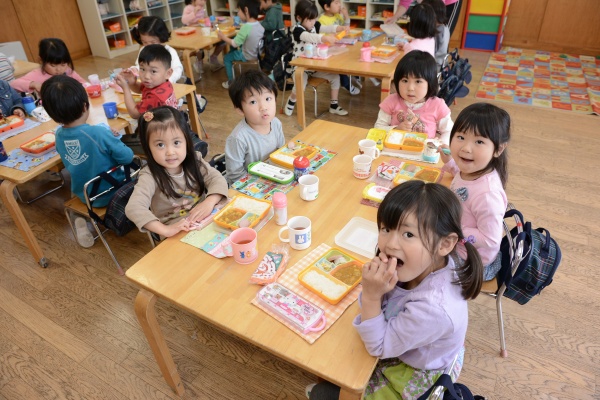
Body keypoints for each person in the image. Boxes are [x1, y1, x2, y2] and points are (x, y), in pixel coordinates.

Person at [306, 180, 483, 400]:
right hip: (414, 344)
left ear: (445, 244)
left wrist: (371, 295)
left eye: (408, 234)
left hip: (413, 373)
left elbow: (378, 347)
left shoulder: (433, 308)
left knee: (327, 387)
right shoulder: (426, 261)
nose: (390, 244)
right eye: (386, 229)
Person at [40, 75, 134, 248]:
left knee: (75, 191)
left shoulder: (59, 136)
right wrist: (115, 140)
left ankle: (80, 222)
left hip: (87, 196)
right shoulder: (98, 133)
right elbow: (127, 157)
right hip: (117, 190)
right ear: (85, 106)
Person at [125, 106, 228, 238]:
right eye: (160, 145)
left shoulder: (195, 160)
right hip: (177, 232)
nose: (170, 152)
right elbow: (134, 207)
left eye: (176, 142)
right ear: (148, 147)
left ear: (186, 141)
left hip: (206, 216)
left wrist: (210, 201)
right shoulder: (149, 176)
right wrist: (166, 230)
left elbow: (216, 178)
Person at [438, 103, 510, 281]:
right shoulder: (472, 170)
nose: (466, 148)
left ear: (498, 149)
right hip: (459, 243)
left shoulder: (487, 195)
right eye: (461, 137)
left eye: (479, 141)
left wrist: (454, 229)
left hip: (472, 262)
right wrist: (450, 163)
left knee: (418, 257)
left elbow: (490, 239)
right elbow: (461, 177)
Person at [283, 0, 349, 117]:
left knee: (335, 77)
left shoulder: (314, 25)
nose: (313, 22)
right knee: (300, 85)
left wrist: (340, 28)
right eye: (309, 19)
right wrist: (325, 39)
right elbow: (310, 37)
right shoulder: (297, 31)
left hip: (314, 67)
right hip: (300, 67)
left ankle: (333, 105)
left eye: (314, 19)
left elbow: (327, 28)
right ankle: (292, 100)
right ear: (299, 18)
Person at [375, 50, 453, 145]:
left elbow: (449, 131)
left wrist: (440, 144)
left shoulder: (437, 105)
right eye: (405, 80)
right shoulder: (391, 101)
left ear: (430, 83)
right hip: (395, 150)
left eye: (418, 81)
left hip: (424, 155)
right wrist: (396, 129)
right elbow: (378, 128)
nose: (410, 88)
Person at [225, 69, 285, 184]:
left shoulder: (276, 123)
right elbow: (235, 175)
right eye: (253, 102)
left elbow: (280, 153)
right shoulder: (238, 138)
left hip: (272, 177)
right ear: (240, 110)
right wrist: (259, 184)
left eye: (268, 99)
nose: (263, 107)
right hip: (248, 185)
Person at [116, 44, 178, 120]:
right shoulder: (163, 83)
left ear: (168, 73)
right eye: (142, 69)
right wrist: (133, 83)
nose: (146, 76)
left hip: (160, 130)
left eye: (153, 71)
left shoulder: (156, 96)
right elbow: (141, 89)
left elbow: (134, 114)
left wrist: (125, 88)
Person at [10, 38, 86, 94]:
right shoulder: (37, 74)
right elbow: (13, 84)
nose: (59, 69)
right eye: (53, 65)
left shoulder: (68, 70)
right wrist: (34, 84)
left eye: (63, 64)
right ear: (41, 60)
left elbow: (83, 83)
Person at [218, 0, 265, 89]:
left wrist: (223, 37)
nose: (238, 13)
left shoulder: (246, 27)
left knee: (227, 58)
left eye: (239, 10)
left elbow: (235, 44)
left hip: (246, 55)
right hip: (256, 53)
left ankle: (231, 82)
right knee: (232, 45)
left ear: (246, 10)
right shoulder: (259, 25)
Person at [317, 0, 359, 95]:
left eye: (339, 2)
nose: (339, 5)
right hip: (330, 49)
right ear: (327, 7)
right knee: (339, 64)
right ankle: (346, 83)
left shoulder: (337, 15)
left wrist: (346, 16)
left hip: (341, 44)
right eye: (336, 3)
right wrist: (330, 37)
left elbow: (346, 28)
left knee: (354, 54)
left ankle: (355, 77)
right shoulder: (322, 20)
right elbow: (321, 39)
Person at [131, 16, 184, 84]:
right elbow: (140, 66)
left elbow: (178, 69)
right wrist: (134, 69)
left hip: (166, 87)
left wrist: (168, 80)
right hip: (149, 85)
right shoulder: (143, 50)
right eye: (144, 42)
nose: (149, 46)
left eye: (153, 42)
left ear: (161, 37)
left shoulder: (169, 51)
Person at [181, 0, 222, 78]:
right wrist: (194, 12)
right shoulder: (188, 8)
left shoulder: (202, 7)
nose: (204, 2)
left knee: (221, 41)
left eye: (205, 1)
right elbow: (184, 20)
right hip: (192, 34)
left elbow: (203, 18)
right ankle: (198, 62)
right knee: (199, 48)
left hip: (201, 31)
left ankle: (213, 57)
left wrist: (209, 20)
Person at [386, 0, 462, 37]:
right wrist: (395, 17)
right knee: (428, 34)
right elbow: (404, 3)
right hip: (429, 4)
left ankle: (440, 65)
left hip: (447, 3)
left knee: (442, 34)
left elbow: (438, 5)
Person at [422, 0, 450, 67]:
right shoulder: (444, 27)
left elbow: (431, 53)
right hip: (440, 64)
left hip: (435, 66)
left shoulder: (438, 31)